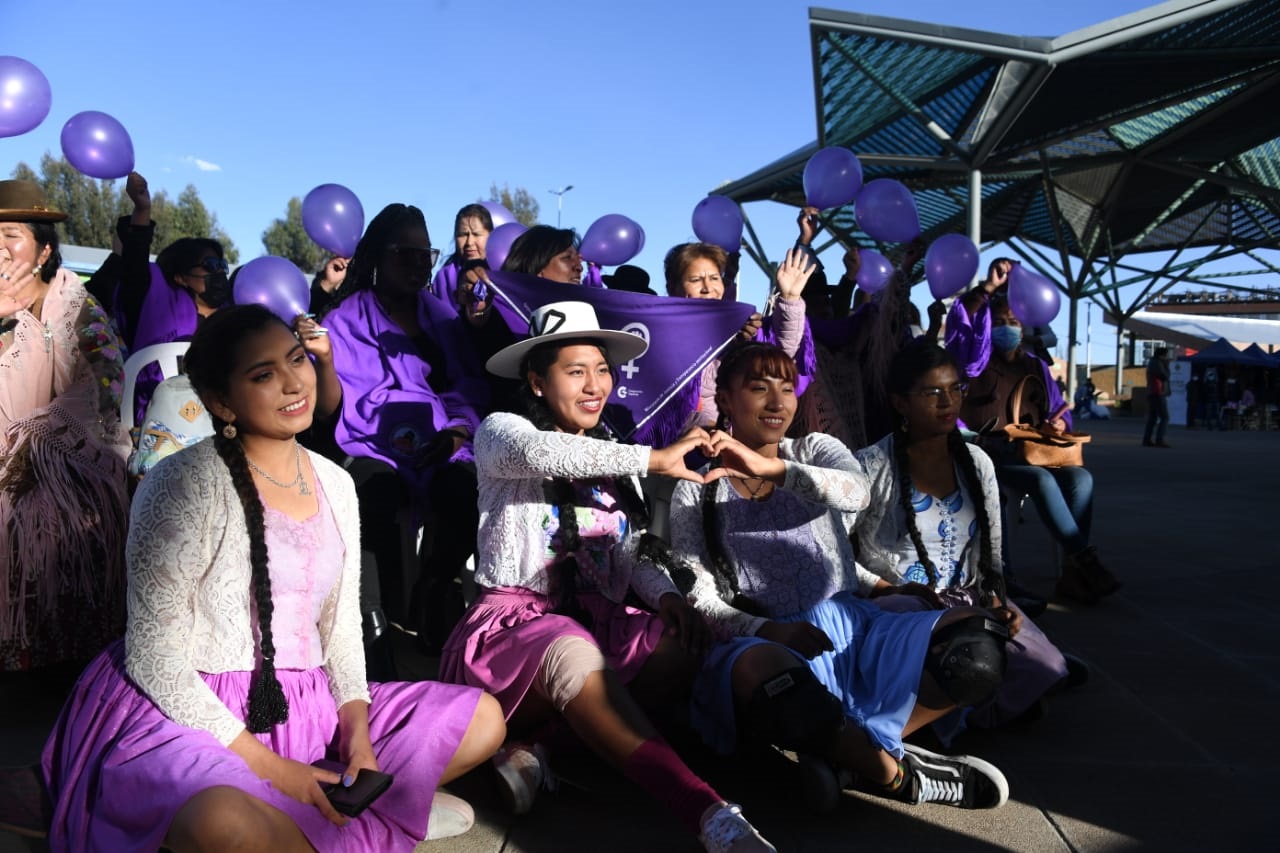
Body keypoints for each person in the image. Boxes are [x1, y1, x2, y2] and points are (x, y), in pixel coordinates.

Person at [35, 304, 506, 851]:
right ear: (220, 401)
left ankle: (343, 815)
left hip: (307, 705)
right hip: (191, 712)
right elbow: (154, 660)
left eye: (297, 359)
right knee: (224, 822)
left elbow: (341, 630)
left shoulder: (335, 483)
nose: (293, 383)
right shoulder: (180, 483)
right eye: (263, 375)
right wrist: (275, 770)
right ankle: (378, 817)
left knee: (483, 719)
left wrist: (359, 740)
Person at [440, 301, 776, 853]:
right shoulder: (501, 432)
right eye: (576, 371)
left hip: (592, 623)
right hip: (510, 634)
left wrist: (666, 597)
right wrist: (652, 460)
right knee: (571, 647)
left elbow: (628, 550)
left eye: (602, 370)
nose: (595, 385)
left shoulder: (617, 456)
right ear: (537, 382)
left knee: (680, 643)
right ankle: (708, 814)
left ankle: (541, 747)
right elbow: (544, 452)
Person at [668, 341, 1010, 814]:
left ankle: (850, 756)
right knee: (765, 676)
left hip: (853, 628)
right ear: (724, 398)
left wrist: (774, 468)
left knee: (978, 644)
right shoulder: (695, 488)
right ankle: (900, 776)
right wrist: (768, 630)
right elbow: (698, 591)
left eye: (787, 388)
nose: (777, 402)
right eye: (759, 387)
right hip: (770, 641)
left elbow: (856, 492)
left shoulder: (815, 449)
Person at [853, 344, 1081, 732]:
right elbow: (836, 553)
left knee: (1048, 666)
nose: (948, 402)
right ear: (900, 402)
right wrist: (883, 588)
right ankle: (963, 704)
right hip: (900, 604)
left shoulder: (977, 462)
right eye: (932, 392)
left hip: (967, 599)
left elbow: (992, 552)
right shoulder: (871, 464)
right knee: (970, 663)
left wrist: (996, 602)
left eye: (955, 389)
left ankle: (967, 699)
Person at [319, 203, 488, 652]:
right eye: (404, 253)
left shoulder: (442, 318)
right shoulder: (343, 320)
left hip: (443, 437)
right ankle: (377, 622)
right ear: (377, 255)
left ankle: (433, 589)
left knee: (469, 490)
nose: (417, 263)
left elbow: (467, 386)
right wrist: (323, 362)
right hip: (372, 441)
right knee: (373, 495)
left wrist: (457, 431)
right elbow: (332, 408)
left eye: (424, 254)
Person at [0, 180, 132, 672]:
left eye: (10, 235)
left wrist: (36, 444)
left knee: (35, 509)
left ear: (44, 250)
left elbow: (104, 387)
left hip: (69, 457)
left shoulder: (77, 308)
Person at [945, 282, 1122, 604]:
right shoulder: (975, 363)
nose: (1007, 328)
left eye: (1013, 322)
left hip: (1033, 451)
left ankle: (1072, 571)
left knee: (1081, 479)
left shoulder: (1035, 365)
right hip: (990, 453)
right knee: (1040, 480)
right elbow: (960, 322)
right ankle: (1082, 560)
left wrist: (1059, 423)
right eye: (999, 322)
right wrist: (985, 289)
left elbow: (1058, 410)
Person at [642, 241, 815, 450]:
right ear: (672, 288)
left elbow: (779, 354)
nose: (708, 288)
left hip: (725, 446)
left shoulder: (740, 326)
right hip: (670, 451)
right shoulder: (656, 332)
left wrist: (790, 298)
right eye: (695, 280)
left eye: (715, 278)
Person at [431, 203, 492, 315]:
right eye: (463, 235)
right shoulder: (444, 278)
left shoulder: (502, 271)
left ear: (491, 235)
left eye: (476, 234)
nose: (469, 242)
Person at [1143, 347, 1172, 447]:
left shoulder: (1153, 362)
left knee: (1153, 417)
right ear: (1162, 355)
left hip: (1153, 392)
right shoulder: (1157, 363)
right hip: (1158, 392)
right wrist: (1167, 367)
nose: (1167, 357)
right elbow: (1165, 376)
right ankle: (1159, 439)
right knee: (1164, 417)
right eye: (1166, 355)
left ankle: (1147, 439)